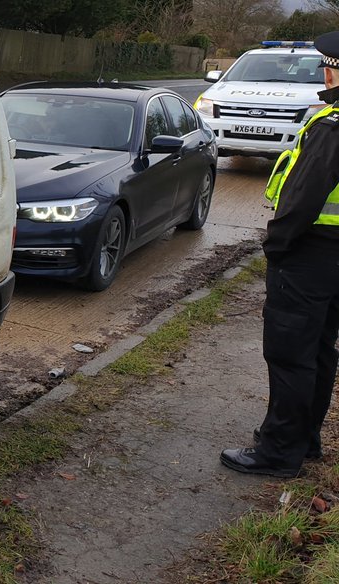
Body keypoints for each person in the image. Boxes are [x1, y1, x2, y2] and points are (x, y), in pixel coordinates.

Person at [220, 31, 339, 477]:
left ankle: (278, 453)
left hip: (310, 255)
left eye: (328, 65)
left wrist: (277, 245)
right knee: (321, 349)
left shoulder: (331, 127)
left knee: (291, 355)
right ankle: (304, 438)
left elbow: (304, 198)